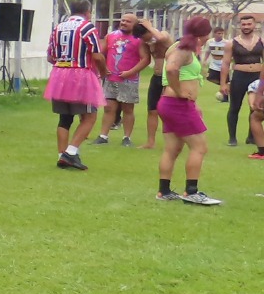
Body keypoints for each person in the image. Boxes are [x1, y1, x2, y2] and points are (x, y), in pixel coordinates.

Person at [156, 16, 222, 204]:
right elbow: (171, 69)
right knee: (199, 147)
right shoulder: (183, 49)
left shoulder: (181, 46)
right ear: (203, 33)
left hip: (171, 103)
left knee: (172, 149)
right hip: (177, 104)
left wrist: (193, 103)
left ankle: (164, 191)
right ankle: (191, 192)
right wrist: (180, 92)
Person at [44, 0, 106, 171]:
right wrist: (104, 72)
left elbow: (50, 56)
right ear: (88, 12)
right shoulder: (87, 27)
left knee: (64, 118)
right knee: (89, 116)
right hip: (81, 74)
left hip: (59, 75)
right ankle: (71, 153)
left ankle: (61, 155)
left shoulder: (58, 28)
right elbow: (97, 55)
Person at [95, 12, 150, 147]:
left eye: (128, 21)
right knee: (109, 108)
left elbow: (146, 59)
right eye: (122, 20)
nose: (123, 23)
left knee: (128, 109)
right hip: (111, 78)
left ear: (135, 24)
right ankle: (103, 136)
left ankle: (127, 138)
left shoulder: (139, 40)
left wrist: (131, 72)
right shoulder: (110, 36)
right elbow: (100, 54)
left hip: (129, 80)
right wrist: (103, 69)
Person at [219, 13, 262, 147]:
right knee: (234, 107)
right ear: (240, 26)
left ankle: (251, 137)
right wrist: (223, 83)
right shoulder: (231, 43)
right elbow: (225, 63)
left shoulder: (261, 41)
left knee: (255, 107)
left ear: (254, 25)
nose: (246, 27)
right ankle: (232, 138)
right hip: (239, 76)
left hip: (257, 77)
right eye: (243, 24)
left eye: (249, 24)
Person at [132, 19, 174, 149]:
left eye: (144, 36)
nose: (143, 40)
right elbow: (145, 58)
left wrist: (149, 27)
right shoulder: (146, 43)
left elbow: (160, 38)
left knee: (168, 111)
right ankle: (150, 142)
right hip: (157, 78)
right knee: (152, 110)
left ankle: (172, 142)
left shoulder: (163, 36)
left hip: (170, 79)